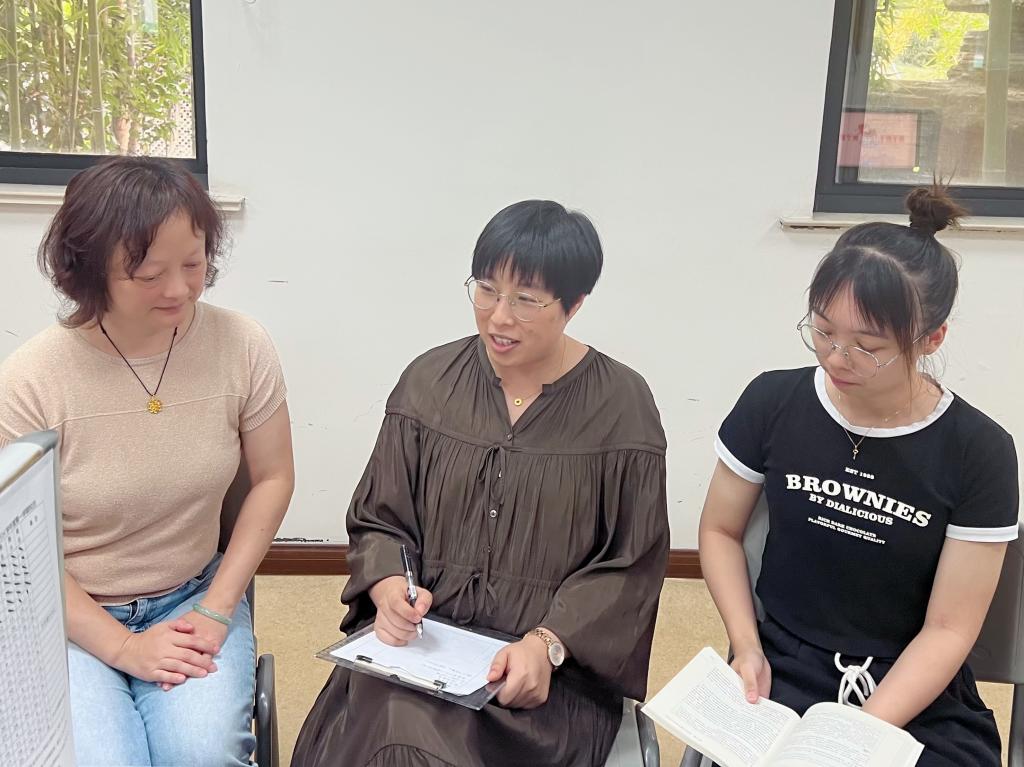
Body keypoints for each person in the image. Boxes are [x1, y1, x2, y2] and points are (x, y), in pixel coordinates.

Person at [293, 200, 669, 767]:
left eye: (526, 300)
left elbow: (630, 565)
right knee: (398, 731)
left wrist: (548, 644)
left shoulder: (623, 407)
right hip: (419, 654)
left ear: (574, 304)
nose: (499, 317)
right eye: (487, 290)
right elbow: (379, 519)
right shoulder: (429, 383)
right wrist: (389, 587)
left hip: (541, 679)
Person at [699, 186, 1017, 766]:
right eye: (823, 331)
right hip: (783, 670)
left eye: (867, 346)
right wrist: (746, 646)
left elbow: (949, 629)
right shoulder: (772, 402)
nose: (836, 358)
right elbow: (720, 531)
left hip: (911, 692)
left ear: (932, 338)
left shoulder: (980, 451)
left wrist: (852, 737)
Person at [0, 157, 295, 766]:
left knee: (202, 754)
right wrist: (122, 647)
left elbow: (272, 477)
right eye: (149, 274)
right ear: (88, 271)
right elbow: (18, 554)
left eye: (194, 264)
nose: (180, 290)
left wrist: (217, 607)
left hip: (193, 595)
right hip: (69, 615)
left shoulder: (241, 345)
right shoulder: (31, 380)